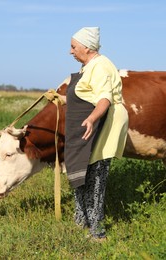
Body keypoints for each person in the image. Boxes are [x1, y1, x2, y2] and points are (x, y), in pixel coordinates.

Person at [60, 27, 129, 240]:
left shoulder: (100, 67)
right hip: (94, 120)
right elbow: (86, 95)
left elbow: (104, 99)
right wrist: (59, 98)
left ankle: (97, 232)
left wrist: (91, 118)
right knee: (84, 169)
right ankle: (81, 220)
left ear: (87, 47)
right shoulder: (88, 66)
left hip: (104, 121)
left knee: (96, 174)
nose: (70, 52)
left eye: (73, 47)